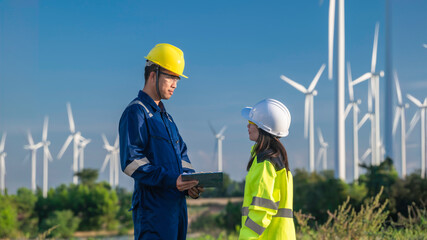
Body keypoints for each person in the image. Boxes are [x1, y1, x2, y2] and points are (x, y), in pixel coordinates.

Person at [119, 43, 204, 240]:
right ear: (153, 74)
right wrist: (171, 180)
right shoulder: (136, 112)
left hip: (176, 210)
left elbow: (183, 158)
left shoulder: (167, 119)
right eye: (171, 77)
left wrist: (190, 182)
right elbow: (131, 162)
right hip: (153, 213)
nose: (175, 84)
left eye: (178, 79)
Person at [239, 98, 296, 240]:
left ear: (263, 128)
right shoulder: (279, 160)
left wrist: (247, 237)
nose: (247, 126)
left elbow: (262, 208)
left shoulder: (265, 161)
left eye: (251, 122)